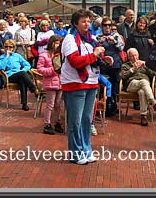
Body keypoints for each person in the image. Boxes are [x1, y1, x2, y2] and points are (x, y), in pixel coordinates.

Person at [61, 9, 105, 165]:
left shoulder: (92, 39)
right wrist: (94, 55)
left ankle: (86, 149)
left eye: (88, 21)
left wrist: (103, 58)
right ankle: (75, 153)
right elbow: (75, 61)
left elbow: (94, 58)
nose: (87, 24)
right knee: (75, 121)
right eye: (83, 21)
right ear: (75, 23)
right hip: (75, 83)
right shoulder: (70, 38)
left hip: (91, 82)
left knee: (87, 119)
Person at [121, 48, 156, 126]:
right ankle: (153, 102)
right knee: (143, 82)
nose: (134, 58)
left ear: (138, 55)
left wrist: (146, 67)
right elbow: (123, 76)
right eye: (132, 56)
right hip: (131, 84)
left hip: (143, 85)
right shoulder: (125, 65)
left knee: (142, 91)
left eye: (135, 55)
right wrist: (132, 69)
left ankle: (143, 116)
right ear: (129, 57)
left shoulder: (143, 63)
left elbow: (153, 73)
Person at [0, 39, 37, 111]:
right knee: (23, 75)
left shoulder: (17, 56)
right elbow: (1, 68)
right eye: (6, 47)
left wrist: (23, 70)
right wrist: (6, 57)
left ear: (13, 48)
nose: (8, 49)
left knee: (23, 79)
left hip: (20, 74)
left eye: (10, 47)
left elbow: (27, 65)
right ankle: (34, 90)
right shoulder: (2, 57)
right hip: (9, 76)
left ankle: (24, 104)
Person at [37, 35, 64, 135]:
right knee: (50, 104)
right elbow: (40, 69)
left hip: (60, 82)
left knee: (58, 104)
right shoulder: (44, 55)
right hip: (50, 82)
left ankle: (57, 122)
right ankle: (47, 124)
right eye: (56, 43)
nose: (58, 45)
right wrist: (52, 70)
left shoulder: (60, 55)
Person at [97, 16, 124, 104]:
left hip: (115, 64)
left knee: (114, 84)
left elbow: (122, 48)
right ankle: (103, 104)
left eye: (109, 25)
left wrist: (115, 42)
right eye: (105, 25)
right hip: (103, 64)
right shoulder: (98, 36)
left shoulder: (116, 36)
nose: (107, 27)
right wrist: (99, 42)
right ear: (102, 26)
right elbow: (94, 49)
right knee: (102, 85)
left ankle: (113, 104)